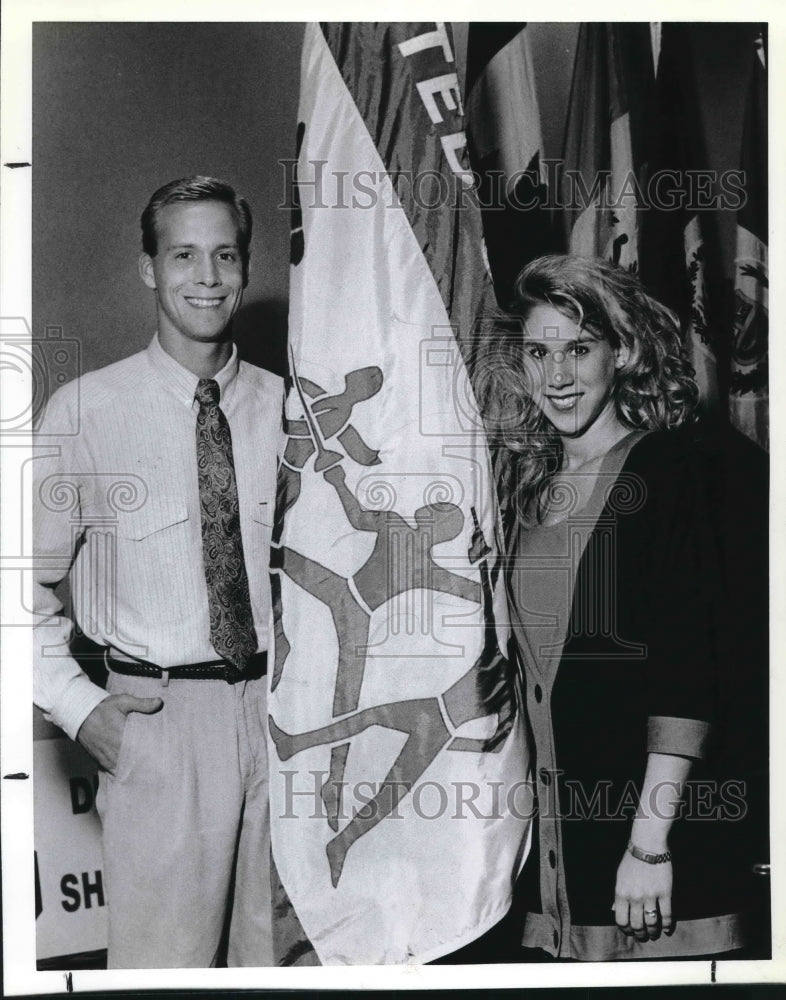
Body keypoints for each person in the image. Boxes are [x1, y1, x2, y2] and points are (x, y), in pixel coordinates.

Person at [479, 254, 768, 961]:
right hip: (552, 870)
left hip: (651, 859)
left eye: (580, 349)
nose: (558, 376)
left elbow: (689, 673)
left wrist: (650, 843)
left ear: (622, 352)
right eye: (540, 352)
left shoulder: (672, 471)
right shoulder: (522, 484)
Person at [33, 176, 284, 968]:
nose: (207, 277)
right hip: (161, 727)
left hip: (285, 722)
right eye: (183, 254)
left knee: (283, 965)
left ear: (245, 268)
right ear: (149, 268)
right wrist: (82, 711)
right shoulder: (84, 412)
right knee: (163, 975)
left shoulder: (294, 411)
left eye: (225, 254)